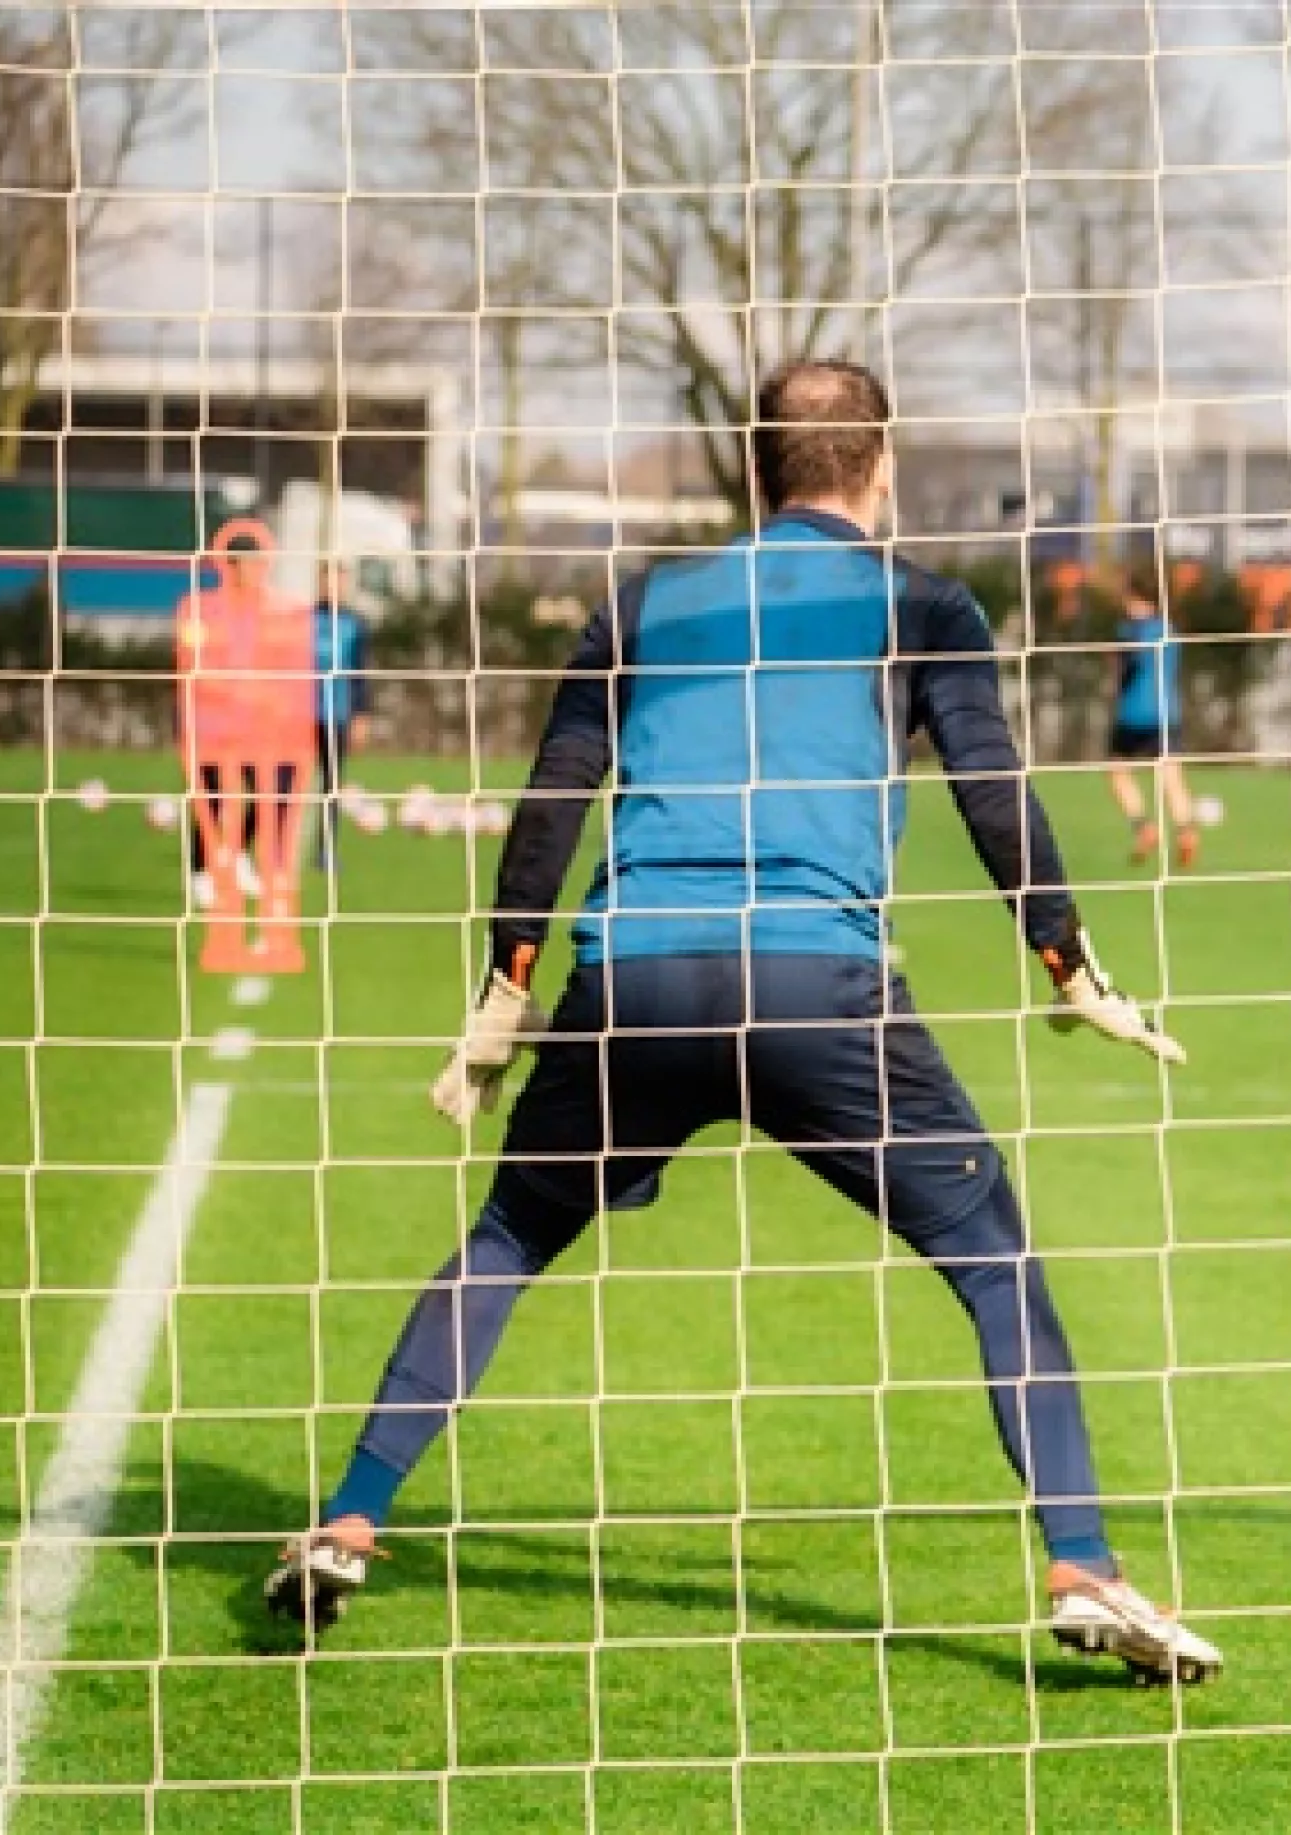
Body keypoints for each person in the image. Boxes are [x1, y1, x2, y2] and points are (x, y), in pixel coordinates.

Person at [265, 360, 1224, 1686]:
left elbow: (554, 795)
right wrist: (1064, 959)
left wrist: (503, 989)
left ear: (752, 465)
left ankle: (350, 1516)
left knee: (509, 1236)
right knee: (994, 1261)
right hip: (816, 985)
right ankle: (1081, 1564)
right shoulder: (922, 602)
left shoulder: (646, 600)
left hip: (629, 982)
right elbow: (993, 790)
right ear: (877, 465)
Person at [1102, 575, 1199, 868]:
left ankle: (1143, 826)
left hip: (1133, 712)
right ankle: (1186, 831)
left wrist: (1114, 661)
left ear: (1133, 598)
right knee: (1171, 776)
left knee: (1117, 769)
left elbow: (1124, 666)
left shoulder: (1129, 631)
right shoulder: (1170, 631)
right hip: (1168, 712)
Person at [311, 564, 371, 872]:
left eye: (339, 579)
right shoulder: (302, 619)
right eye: (327, 579)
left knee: (331, 784)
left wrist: (361, 715)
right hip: (299, 716)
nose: (332, 585)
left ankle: (326, 850)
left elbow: (361, 672)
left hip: (336, 714)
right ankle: (279, 849)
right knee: (288, 785)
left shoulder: (355, 623)